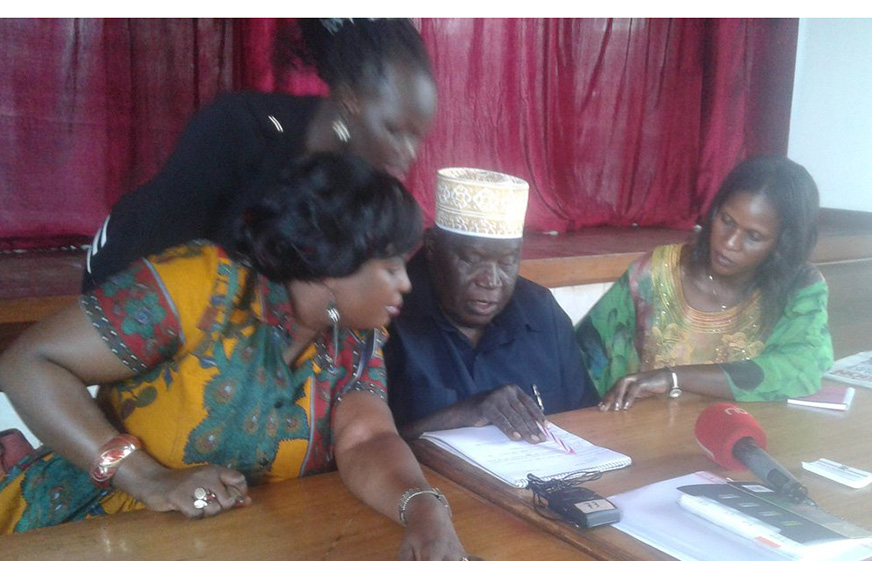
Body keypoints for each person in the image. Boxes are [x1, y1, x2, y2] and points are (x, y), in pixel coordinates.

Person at [0, 154, 471, 561]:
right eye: (391, 267)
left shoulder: (354, 338)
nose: (406, 284)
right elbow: (28, 364)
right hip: (83, 529)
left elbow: (367, 439)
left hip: (221, 543)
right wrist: (147, 478)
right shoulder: (202, 288)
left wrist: (424, 508)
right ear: (333, 267)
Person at [83, 18, 437, 289]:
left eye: (418, 136)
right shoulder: (241, 130)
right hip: (128, 281)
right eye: (395, 130)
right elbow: (159, 260)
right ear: (349, 100)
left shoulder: (366, 178)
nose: (408, 153)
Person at [575, 155, 834, 411]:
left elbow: (803, 367)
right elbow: (584, 357)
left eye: (754, 236)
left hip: (747, 431)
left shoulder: (798, 286)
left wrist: (673, 378)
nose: (730, 243)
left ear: (782, 244)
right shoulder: (656, 273)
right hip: (645, 431)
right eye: (727, 221)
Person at [386, 168, 599, 443]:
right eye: (473, 259)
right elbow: (359, 448)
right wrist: (460, 415)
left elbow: (585, 422)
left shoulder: (542, 313)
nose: (491, 281)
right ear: (432, 247)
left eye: (507, 262)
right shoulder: (387, 315)